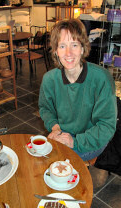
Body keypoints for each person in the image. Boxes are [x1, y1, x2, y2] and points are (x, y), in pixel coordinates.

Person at [38, 18, 117, 161]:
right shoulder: (49, 79)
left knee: (55, 160)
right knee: (41, 156)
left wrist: (74, 142)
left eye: (74, 45)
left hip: (92, 139)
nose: (68, 53)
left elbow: (106, 127)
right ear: (56, 51)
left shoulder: (102, 79)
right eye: (62, 46)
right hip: (63, 132)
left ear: (82, 48)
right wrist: (55, 128)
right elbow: (45, 109)